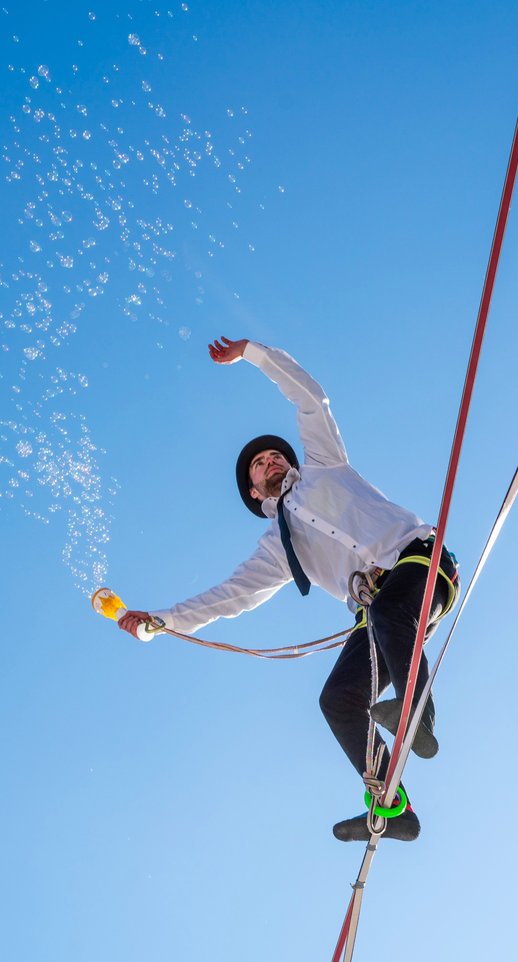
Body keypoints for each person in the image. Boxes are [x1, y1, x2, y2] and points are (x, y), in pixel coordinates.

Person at [116, 337, 459, 842]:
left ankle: (417, 712)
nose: (271, 461)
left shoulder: (324, 465)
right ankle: (393, 805)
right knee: (338, 698)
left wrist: (252, 354)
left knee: (388, 613)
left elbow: (310, 399)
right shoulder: (277, 548)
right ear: (254, 493)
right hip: (384, 614)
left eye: (275, 455)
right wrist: (162, 621)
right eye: (260, 464)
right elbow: (228, 597)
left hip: (420, 561)